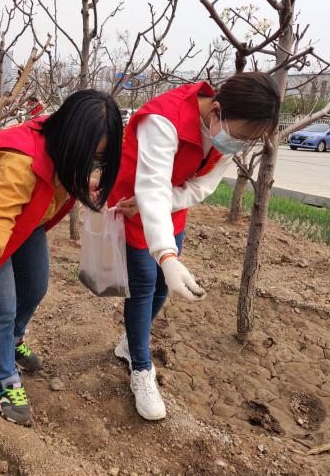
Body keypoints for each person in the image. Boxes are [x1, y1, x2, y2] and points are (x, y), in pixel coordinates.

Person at [0, 89, 123, 427]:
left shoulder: (62, 143)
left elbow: (59, 177)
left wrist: (86, 185)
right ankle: (3, 379)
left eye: (97, 161)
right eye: (89, 159)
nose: (91, 166)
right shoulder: (20, 162)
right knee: (1, 306)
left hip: (27, 216)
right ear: (71, 140)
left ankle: (11, 340)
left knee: (35, 286)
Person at [107, 72, 281, 421]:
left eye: (248, 141)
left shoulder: (226, 133)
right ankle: (141, 368)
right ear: (216, 110)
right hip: (131, 202)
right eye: (240, 136)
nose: (238, 146)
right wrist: (165, 253)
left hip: (171, 207)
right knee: (144, 284)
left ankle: (129, 343)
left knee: (162, 286)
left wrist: (168, 248)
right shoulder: (163, 120)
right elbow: (151, 187)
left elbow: (201, 187)